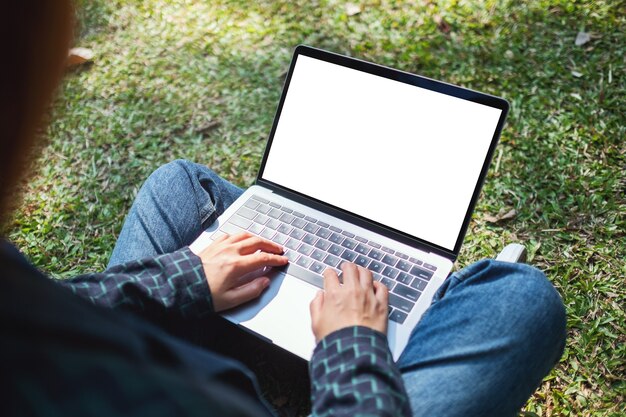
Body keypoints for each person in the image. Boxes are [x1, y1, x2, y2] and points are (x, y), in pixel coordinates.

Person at [1, 1, 566, 416]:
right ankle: (410, 321)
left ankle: (252, 325)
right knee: (519, 296)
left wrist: (187, 278)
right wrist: (353, 343)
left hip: (166, 349)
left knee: (180, 187)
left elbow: (64, 307)